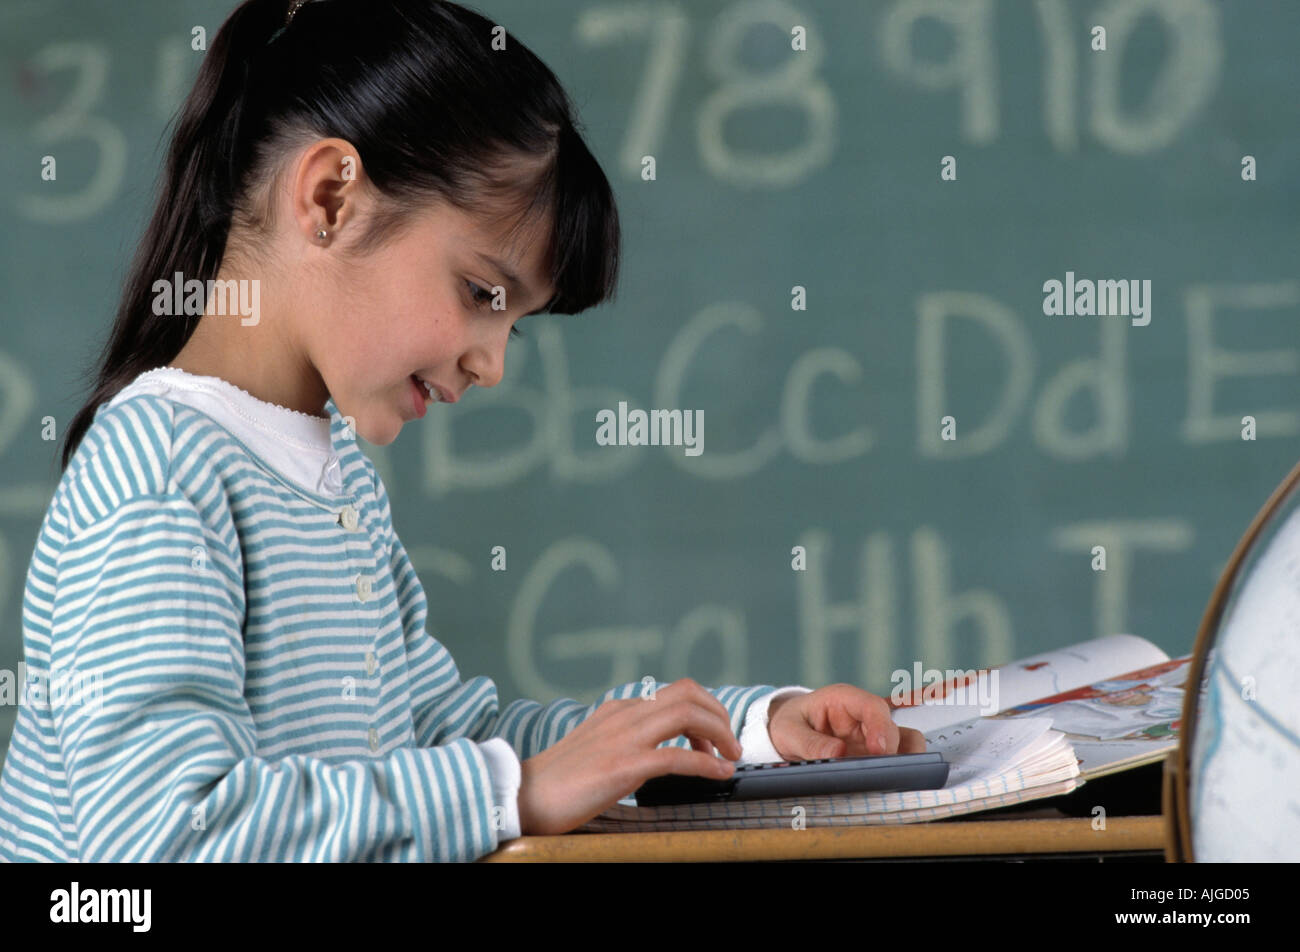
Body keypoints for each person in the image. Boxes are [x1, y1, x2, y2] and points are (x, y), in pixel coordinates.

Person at [0, 0, 923, 862]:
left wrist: (755, 730)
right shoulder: (161, 471)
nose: (494, 363)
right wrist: (511, 792)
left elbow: (448, 737)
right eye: (483, 293)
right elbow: (165, 836)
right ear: (328, 197)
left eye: (512, 321)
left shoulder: (336, 477)